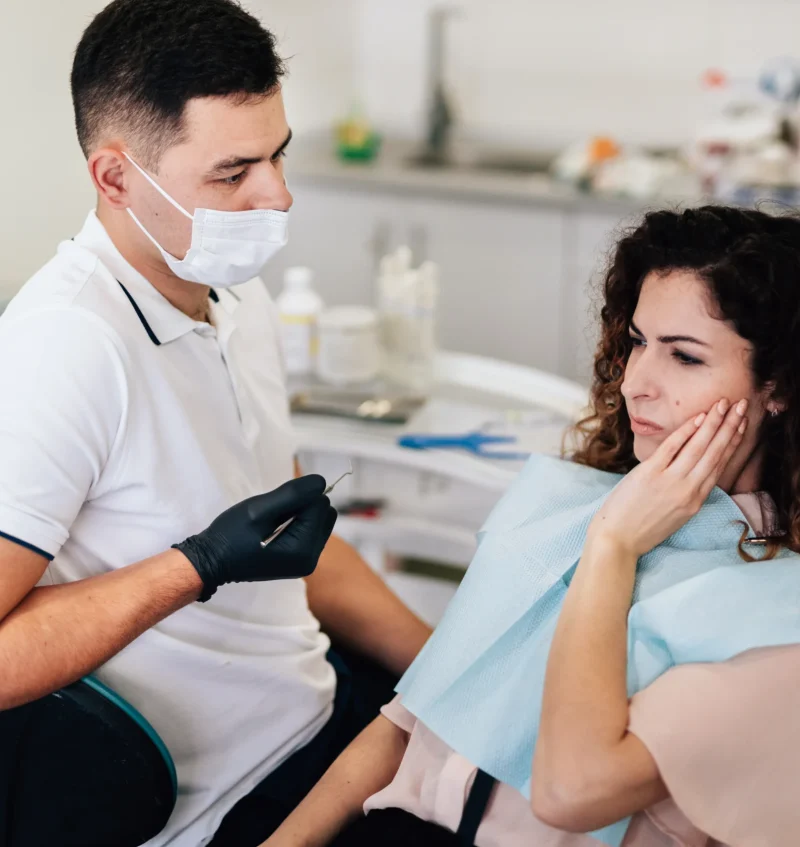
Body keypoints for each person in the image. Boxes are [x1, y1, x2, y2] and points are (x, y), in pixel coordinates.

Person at [0, 1, 431, 845]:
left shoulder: (237, 295)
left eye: (278, 154)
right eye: (234, 174)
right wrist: (193, 566)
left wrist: (444, 664)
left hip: (313, 707)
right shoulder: (66, 347)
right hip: (221, 799)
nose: (278, 194)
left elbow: (289, 544)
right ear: (117, 178)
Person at [263, 205, 800, 847]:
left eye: (684, 357)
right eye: (636, 342)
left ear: (779, 386)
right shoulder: (563, 509)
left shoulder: (775, 619)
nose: (636, 384)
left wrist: (613, 547)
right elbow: (409, 720)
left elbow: (571, 792)